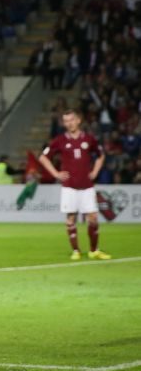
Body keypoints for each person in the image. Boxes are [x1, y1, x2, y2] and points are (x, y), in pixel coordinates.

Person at [36, 109, 111, 260]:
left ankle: (94, 250)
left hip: (87, 185)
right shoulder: (60, 140)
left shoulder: (89, 139)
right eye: (66, 121)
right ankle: (76, 250)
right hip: (69, 186)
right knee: (71, 218)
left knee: (93, 218)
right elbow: (43, 158)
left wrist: (95, 171)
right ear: (64, 123)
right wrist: (56, 174)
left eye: (71, 120)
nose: (69, 123)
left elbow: (101, 155)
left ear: (78, 120)